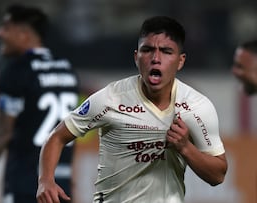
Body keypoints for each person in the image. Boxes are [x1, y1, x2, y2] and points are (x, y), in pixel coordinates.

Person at [37, 16, 228, 203]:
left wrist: (186, 148)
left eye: (166, 51)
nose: (155, 58)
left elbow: (218, 175)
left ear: (180, 60)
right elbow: (56, 136)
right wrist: (45, 181)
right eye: (147, 50)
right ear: (136, 57)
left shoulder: (196, 106)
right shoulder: (110, 99)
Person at [0, 4, 79, 203]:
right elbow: (72, 129)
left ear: (23, 34)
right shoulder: (67, 70)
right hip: (59, 183)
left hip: (27, 182)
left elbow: (3, 133)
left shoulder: (16, 71)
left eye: (5, 27)